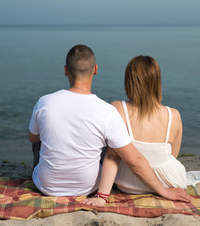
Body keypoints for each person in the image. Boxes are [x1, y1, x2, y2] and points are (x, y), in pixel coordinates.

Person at [28, 45, 190, 202]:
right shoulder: (108, 111)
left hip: (47, 186)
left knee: (41, 141)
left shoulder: (44, 102)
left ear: (65, 70)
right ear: (95, 69)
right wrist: (163, 190)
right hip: (92, 187)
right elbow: (163, 156)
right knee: (107, 139)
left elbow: (33, 138)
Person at [82, 55, 187, 206]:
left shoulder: (118, 108)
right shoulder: (174, 115)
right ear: (157, 82)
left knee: (106, 149)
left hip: (129, 183)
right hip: (169, 182)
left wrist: (102, 196)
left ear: (129, 82)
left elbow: (113, 155)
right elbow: (173, 155)